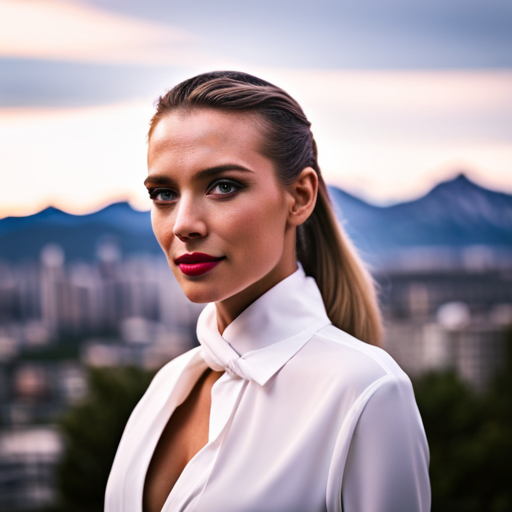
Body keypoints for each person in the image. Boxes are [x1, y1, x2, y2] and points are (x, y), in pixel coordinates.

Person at [105, 71, 430, 512]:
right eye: (163, 193)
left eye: (223, 186)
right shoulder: (166, 386)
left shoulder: (367, 391)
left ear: (299, 196)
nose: (183, 224)